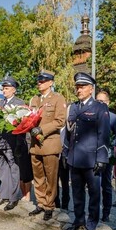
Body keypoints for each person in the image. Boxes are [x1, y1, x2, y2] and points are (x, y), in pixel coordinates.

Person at [61, 73, 110, 230]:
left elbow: (104, 134)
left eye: (82, 86)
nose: (79, 89)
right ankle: (78, 220)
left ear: (91, 88)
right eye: (77, 87)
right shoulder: (73, 107)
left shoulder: (99, 107)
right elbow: (68, 133)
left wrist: (102, 157)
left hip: (92, 160)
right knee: (77, 193)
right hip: (74, 159)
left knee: (95, 195)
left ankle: (91, 226)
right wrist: (66, 153)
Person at [28, 69, 66, 221]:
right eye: (38, 80)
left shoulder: (58, 98)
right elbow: (28, 118)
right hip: (35, 145)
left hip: (50, 144)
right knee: (38, 177)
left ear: (50, 82)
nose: (39, 83)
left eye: (43, 81)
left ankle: (49, 206)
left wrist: (41, 129)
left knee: (50, 178)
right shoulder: (34, 100)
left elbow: (60, 121)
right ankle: (41, 203)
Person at [0, 77, 27, 211]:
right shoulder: (0, 103)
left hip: (12, 142)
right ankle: (3, 195)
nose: (4, 91)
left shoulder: (19, 103)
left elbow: (22, 124)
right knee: (2, 169)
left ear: (14, 90)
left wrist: (19, 144)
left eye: (7, 88)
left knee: (13, 169)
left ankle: (13, 197)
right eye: (3, 88)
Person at [95, 90, 116, 222]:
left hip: (108, 158)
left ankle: (106, 212)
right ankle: (95, 212)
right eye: (98, 101)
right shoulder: (92, 115)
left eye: (103, 101)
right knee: (94, 185)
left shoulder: (114, 118)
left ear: (108, 103)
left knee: (106, 185)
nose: (100, 103)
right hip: (92, 157)